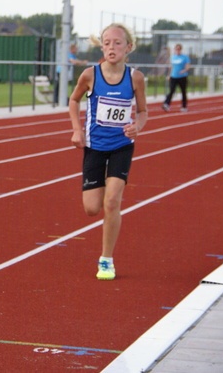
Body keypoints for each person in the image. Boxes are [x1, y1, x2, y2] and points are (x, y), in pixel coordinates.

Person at [68, 23, 148, 281]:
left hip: (121, 146)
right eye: (107, 43)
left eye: (117, 43)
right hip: (94, 147)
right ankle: (99, 190)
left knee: (112, 201)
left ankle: (106, 260)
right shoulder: (90, 75)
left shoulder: (135, 77)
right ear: (101, 46)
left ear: (128, 47)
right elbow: (73, 100)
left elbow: (144, 111)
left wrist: (137, 125)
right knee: (92, 208)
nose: (112, 47)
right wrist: (77, 129)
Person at [162, 43, 191, 112]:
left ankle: (184, 106)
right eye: (176, 49)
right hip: (173, 76)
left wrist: (184, 71)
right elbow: (171, 67)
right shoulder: (173, 57)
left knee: (183, 91)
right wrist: (169, 75)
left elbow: (188, 66)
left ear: (180, 49)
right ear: (175, 50)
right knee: (171, 90)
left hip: (182, 77)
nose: (177, 50)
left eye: (179, 49)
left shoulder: (185, 57)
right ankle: (166, 104)